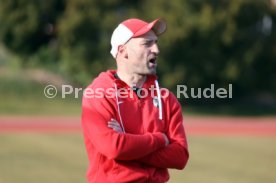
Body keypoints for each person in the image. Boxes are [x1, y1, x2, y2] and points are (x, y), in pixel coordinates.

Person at [81, 18, 189, 183]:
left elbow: (180, 157)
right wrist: (160, 139)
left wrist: (129, 144)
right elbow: (114, 147)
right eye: (147, 44)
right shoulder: (97, 94)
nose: (157, 49)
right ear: (123, 51)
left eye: (156, 43)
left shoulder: (167, 100)